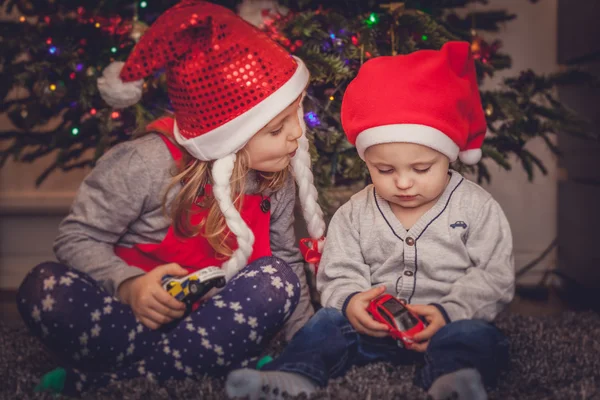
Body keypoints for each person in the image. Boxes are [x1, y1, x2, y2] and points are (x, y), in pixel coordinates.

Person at [16, 0, 326, 396]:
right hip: (133, 320)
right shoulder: (145, 163)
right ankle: (192, 365)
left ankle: (113, 381)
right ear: (228, 134)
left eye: (296, 117)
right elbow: (76, 239)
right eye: (277, 128)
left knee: (277, 279)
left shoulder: (274, 178)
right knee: (43, 287)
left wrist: (303, 348)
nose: (296, 135)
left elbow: (283, 259)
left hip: (221, 323)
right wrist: (129, 286)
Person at [225, 41, 515, 400]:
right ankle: (292, 377)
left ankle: (451, 383)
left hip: (446, 327)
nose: (404, 182)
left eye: (422, 168)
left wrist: (449, 311)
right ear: (367, 163)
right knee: (325, 325)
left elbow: (494, 274)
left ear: (449, 157)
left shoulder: (476, 208)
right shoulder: (355, 212)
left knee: (480, 339)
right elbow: (338, 270)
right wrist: (351, 302)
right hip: (373, 333)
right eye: (384, 169)